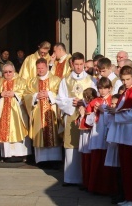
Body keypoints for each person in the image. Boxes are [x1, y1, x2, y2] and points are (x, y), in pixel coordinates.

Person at [106, 65, 132, 206]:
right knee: (125, 169)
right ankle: (128, 198)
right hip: (123, 135)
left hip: (130, 135)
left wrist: (116, 114)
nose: (125, 82)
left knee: (130, 169)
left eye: (128, 79)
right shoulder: (125, 92)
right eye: (123, 80)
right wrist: (113, 111)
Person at [56, 52, 96, 187]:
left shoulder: (91, 80)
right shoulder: (65, 80)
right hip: (71, 115)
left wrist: (84, 103)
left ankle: (84, 178)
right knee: (71, 146)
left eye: (81, 64)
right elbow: (59, 99)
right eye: (76, 64)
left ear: (84, 64)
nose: (79, 67)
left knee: (83, 145)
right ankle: (70, 178)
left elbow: (95, 98)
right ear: (72, 64)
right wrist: (70, 102)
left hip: (86, 115)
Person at [0, 63, 31, 162]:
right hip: (3, 112)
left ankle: (21, 155)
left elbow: (27, 93)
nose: (8, 74)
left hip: (17, 113)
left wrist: (15, 94)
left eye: (10, 72)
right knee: (5, 132)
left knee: (17, 130)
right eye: (5, 72)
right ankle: (7, 155)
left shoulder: (21, 81)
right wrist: (0, 94)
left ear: (14, 71)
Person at [24, 58, 62, 167]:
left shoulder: (56, 80)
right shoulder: (32, 81)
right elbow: (26, 96)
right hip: (38, 113)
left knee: (53, 133)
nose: (40, 70)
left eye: (42, 68)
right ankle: (41, 161)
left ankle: (55, 160)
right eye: (38, 68)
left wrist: (49, 94)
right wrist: (35, 96)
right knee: (40, 135)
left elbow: (60, 94)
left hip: (52, 112)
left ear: (47, 67)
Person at [85, 77, 118, 196]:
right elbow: (88, 121)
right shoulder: (94, 101)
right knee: (96, 161)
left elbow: (113, 116)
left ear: (110, 88)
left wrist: (103, 109)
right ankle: (95, 187)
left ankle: (108, 188)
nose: (103, 91)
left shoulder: (113, 100)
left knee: (107, 161)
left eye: (105, 88)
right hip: (96, 133)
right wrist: (94, 112)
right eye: (100, 88)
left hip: (107, 133)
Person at [79, 87, 97, 190]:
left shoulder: (92, 105)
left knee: (88, 161)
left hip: (89, 136)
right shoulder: (86, 105)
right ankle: (85, 182)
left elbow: (89, 122)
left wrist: (83, 114)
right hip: (84, 135)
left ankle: (88, 183)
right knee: (85, 160)